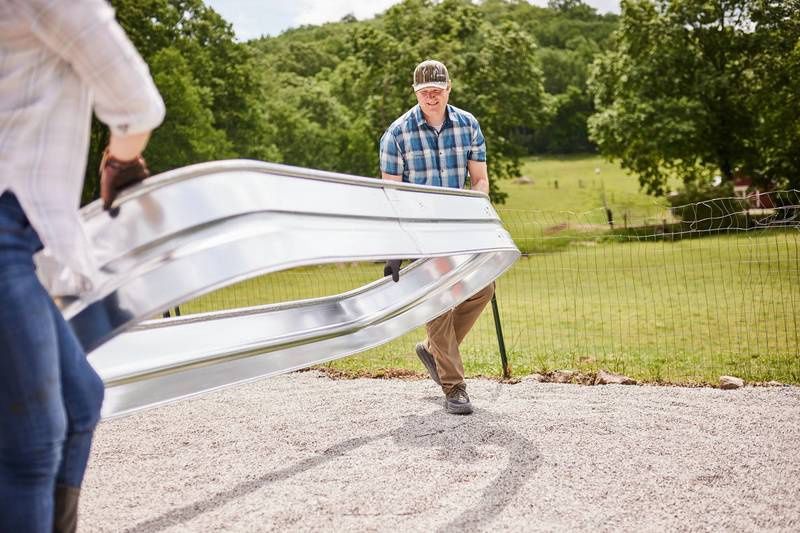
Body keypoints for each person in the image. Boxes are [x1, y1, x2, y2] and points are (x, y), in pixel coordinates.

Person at [0, 1, 165, 531]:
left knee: (79, 399)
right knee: (31, 448)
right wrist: (120, 161)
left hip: (18, 238)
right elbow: (136, 105)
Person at [379, 59, 494, 415]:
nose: (431, 97)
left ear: (448, 89)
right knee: (438, 303)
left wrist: (478, 215)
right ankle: (454, 387)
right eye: (424, 91)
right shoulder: (397, 134)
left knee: (483, 288)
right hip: (421, 234)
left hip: (459, 228)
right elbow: (392, 195)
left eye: (437, 90)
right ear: (415, 93)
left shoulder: (469, 125)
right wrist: (395, 247)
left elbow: (479, 180)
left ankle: (433, 350)